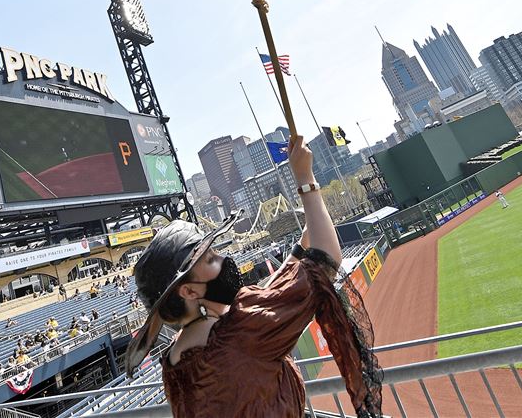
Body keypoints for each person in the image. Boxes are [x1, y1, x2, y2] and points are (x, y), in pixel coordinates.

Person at [124, 135, 381, 418]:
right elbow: (326, 259)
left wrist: (301, 242)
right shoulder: (240, 333)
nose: (224, 260)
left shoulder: (177, 357)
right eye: (209, 259)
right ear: (188, 291)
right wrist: (306, 178)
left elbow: (265, 297)